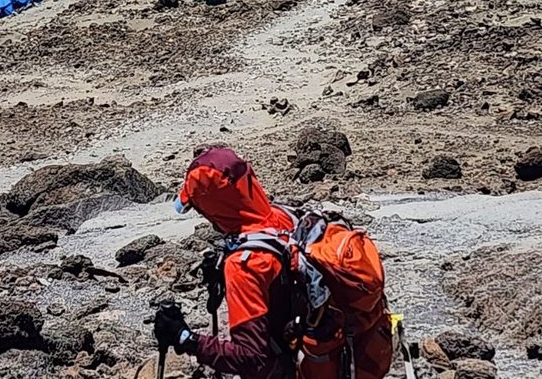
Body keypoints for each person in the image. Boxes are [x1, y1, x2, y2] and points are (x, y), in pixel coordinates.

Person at [155, 146, 392, 379]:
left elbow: (251, 358)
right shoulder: (286, 215)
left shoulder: (244, 266)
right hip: (346, 346)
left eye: (199, 208)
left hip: (291, 366)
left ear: (212, 208)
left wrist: (186, 338)